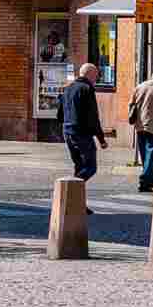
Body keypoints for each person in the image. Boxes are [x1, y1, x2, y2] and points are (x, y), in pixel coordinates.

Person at [60, 59, 108, 208]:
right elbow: (93, 117)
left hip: (67, 131)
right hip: (81, 133)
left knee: (79, 167)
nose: (96, 79)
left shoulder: (68, 88)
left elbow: (59, 114)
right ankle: (68, 191)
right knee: (90, 167)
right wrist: (101, 139)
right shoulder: (87, 89)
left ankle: (76, 205)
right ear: (90, 74)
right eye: (96, 75)